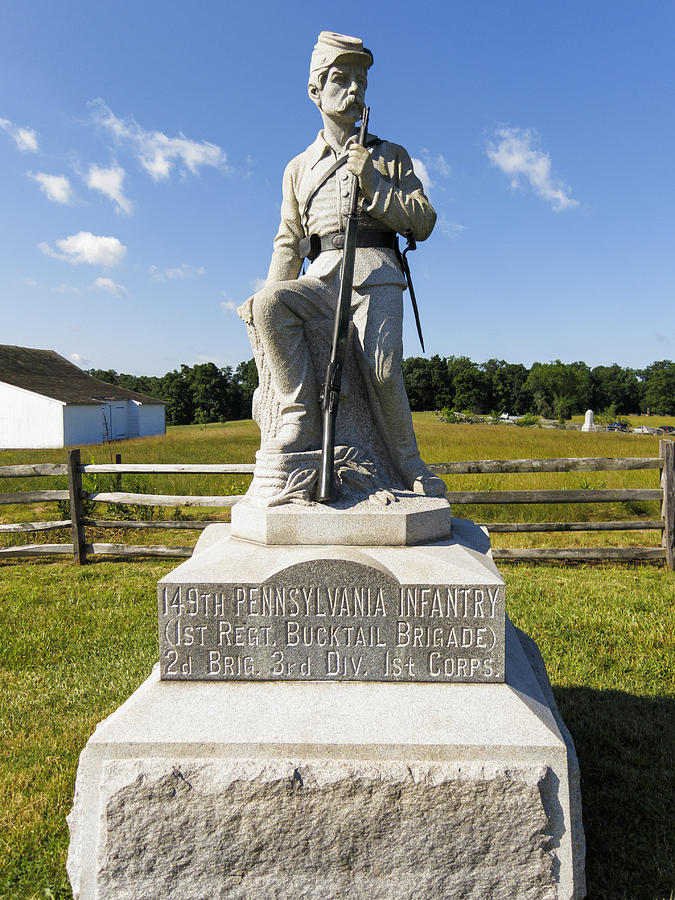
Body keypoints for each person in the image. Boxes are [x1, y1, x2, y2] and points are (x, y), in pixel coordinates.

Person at [249, 31, 445, 497]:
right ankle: (300, 416)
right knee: (269, 302)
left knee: (382, 369)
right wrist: (264, 300)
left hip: (376, 271)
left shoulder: (390, 155)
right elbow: (289, 240)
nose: (355, 89)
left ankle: (408, 464)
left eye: (361, 80)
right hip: (322, 276)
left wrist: (373, 181)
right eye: (341, 78)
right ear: (316, 90)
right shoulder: (298, 167)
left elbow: (424, 222)